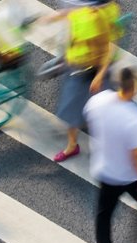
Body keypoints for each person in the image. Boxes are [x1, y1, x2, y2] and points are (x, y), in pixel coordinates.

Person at [83, 67, 137, 243]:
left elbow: (89, 118)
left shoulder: (99, 101)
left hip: (104, 169)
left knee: (103, 214)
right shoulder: (136, 117)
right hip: (127, 174)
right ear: (134, 88)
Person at [47, 0, 120, 163]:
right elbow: (71, 20)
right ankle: (72, 146)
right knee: (72, 109)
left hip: (95, 70)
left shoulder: (106, 13)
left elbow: (111, 46)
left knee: (104, 110)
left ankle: (109, 144)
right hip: (77, 67)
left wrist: (100, 74)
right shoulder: (82, 10)